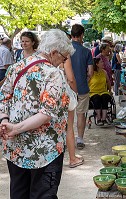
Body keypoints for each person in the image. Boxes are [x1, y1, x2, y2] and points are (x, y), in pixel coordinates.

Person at [0, 29, 75, 199]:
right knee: (43, 195)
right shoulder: (53, 73)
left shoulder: (16, 67)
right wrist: (15, 128)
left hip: (15, 149)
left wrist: (5, 120)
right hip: (45, 152)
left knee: (19, 194)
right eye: (63, 57)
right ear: (54, 52)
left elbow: (2, 98)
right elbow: (46, 113)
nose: (62, 62)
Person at [70, 24, 93, 150]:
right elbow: (90, 72)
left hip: (67, 88)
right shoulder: (86, 51)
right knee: (81, 114)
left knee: (67, 115)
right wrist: (85, 80)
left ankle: (66, 139)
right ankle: (80, 139)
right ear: (82, 35)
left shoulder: (65, 50)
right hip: (82, 88)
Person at [59, 56, 84, 168]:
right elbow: (71, 79)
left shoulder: (42, 54)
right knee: (69, 127)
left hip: (48, 95)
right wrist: (74, 93)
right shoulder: (64, 55)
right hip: (63, 94)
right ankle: (72, 159)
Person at [89, 57, 112, 126]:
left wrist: (110, 90)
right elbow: (86, 82)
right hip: (93, 92)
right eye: (101, 62)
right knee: (97, 98)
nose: (103, 63)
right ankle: (98, 118)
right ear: (97, 64)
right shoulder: (91, 73)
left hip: (103, 91)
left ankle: (104, 118)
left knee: (105, 97)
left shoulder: (104, 72)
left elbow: (108, 82)